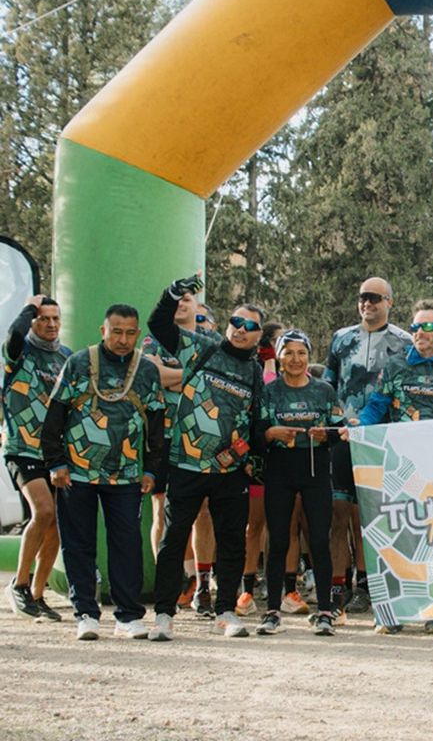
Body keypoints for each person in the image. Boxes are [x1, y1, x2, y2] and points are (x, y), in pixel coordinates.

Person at [148, 274, 265, 641]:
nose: (240, 330)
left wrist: (245, 459)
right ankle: (164, 614)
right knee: (173, 539)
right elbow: (157, 325)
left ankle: (226, 611)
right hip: (185, 463)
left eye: (250, 326)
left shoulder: (255, 372)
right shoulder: (203, 348)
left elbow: (257, 422)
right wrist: (172, 293)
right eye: (235, 322)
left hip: (229, 471)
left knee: (232, 541)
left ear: (260, 335)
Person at [41, 304, 165, 640]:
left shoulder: (147, 371)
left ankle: (128, 615)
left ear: (137, 333)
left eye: (129, 332)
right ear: (103, 331)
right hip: (76, 472)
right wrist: (56, 461)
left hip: (126, 475)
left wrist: (152, 470)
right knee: (78, 543)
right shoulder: (79, 363)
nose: (123, 339)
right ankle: (86, 613)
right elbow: (54, 415)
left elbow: (156, 425)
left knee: (126, 542)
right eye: (116, 332)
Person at [358, 299, 433, 634]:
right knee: (399, 536)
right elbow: (377, 406)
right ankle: (391, 612)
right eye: (415, 327)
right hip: (401, 467)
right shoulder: (396, 365)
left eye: (428, 326)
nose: (420, 333)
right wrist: (357, 428)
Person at [323, 278, 412, 617]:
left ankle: (366, 585)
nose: (367, 303)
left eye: (375, 298)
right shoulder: (341, 338)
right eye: (362, 297)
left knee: (368, 517)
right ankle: (335, 585)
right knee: (337, 512)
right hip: (343, 436)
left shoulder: (404, 341)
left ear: (390, 301)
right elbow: (328, 384)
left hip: (381, 439)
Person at [253, 330, 343, 637]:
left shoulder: (324, 390)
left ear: (309, 356)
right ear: (279, 357)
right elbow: (259, 431)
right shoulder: (269, 391)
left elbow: (338, 429)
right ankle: (272, 611)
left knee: (319, 537)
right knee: (278, 539)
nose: (295, 359)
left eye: (301, 353)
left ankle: (326, 611)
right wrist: (271, 434)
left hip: (316, 467)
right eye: (288, 353)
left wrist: (325, 435)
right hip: (280, 467)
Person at [140, 280, 217, 616]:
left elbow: (214, 382)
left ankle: (202, 584)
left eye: (189, 299)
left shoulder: (210, 343)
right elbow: (151, 375)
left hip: (198, 436)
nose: (182, 304)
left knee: (202, 512)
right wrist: (193, 376)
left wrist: (174, 374)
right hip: (160, 436)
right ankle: (172, 583)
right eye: (178, 299)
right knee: (162, 512)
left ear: (197, 306)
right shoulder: (152, 339)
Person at [3, 295, 69, 622]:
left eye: (56, 318)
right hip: (22, 447)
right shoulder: (19, 352)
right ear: (33, 320)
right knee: (43, 509)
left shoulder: (67, 358)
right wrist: (30, 305)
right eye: (43, 318)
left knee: (56, 522)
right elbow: (14, 336)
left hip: (56, 452)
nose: (51, 324)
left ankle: (39, 594)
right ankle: (19, 583)